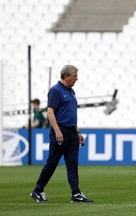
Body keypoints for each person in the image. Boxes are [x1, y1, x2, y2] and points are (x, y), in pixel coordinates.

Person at [30, 65, 93, 203]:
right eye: (75, 76)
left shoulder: (72, 91)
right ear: (66, 76)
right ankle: (37, 190)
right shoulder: (55, 90)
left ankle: (76, 194)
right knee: (52, 163)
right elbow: (50, 112)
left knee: (72, 164)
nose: (77, 78)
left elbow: (70, 114)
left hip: (71, 133)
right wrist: (58, 131)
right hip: (61, 131)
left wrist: (77, 132)